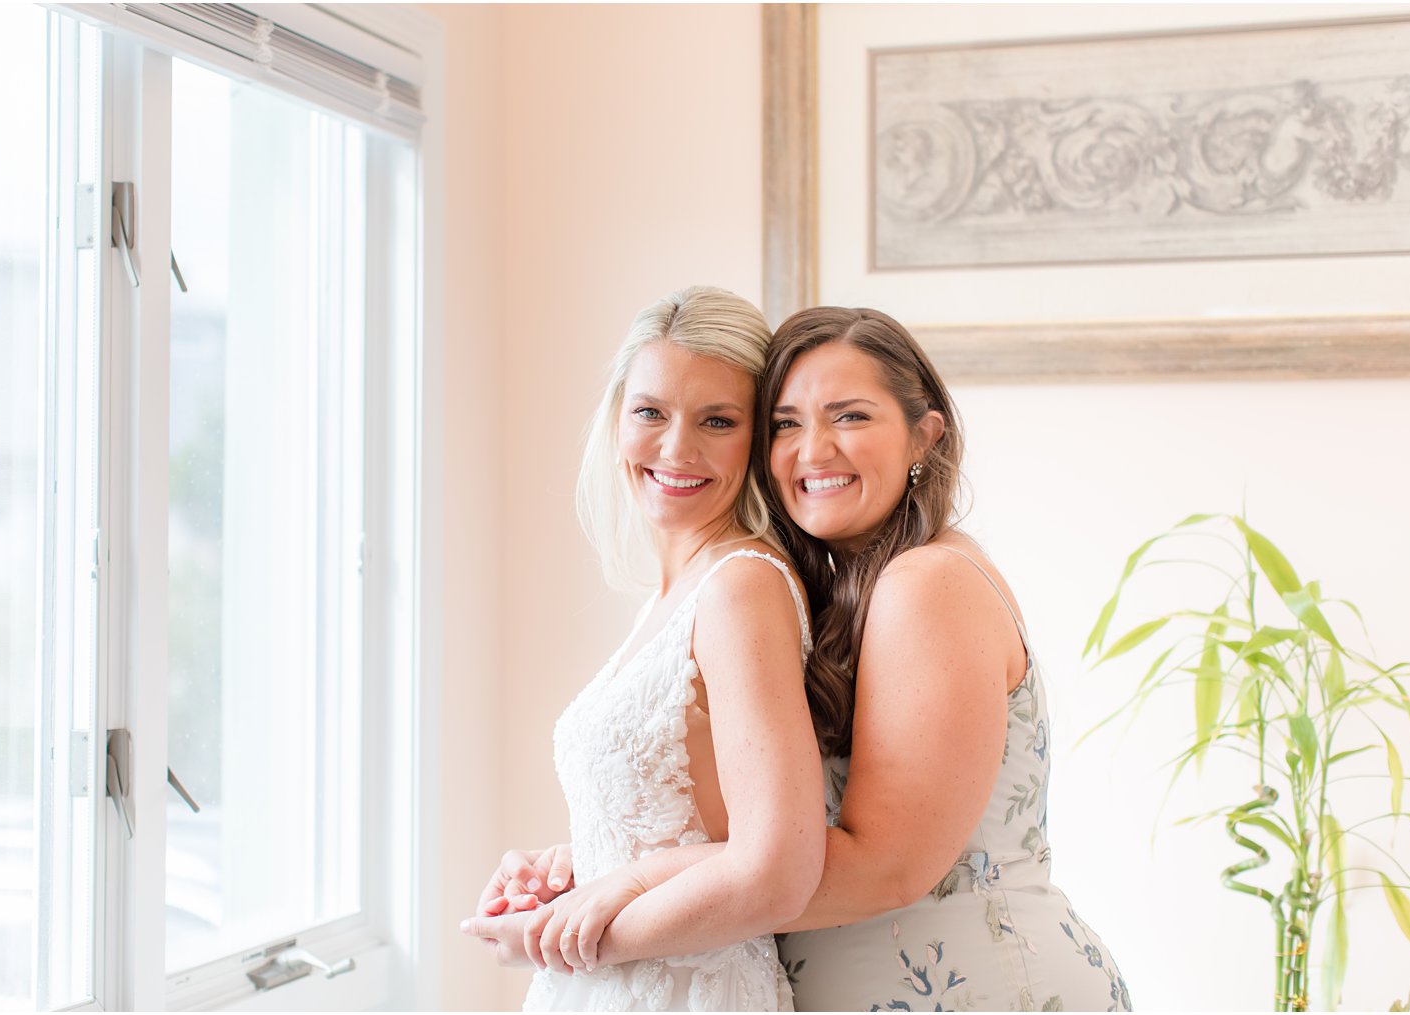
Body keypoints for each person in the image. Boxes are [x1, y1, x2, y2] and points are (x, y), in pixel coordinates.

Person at [472, 306, 1129, 1012]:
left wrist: (628, 885)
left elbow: (881, 866)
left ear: (924, 436)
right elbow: (759, 821)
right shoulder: (844, 589)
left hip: (976, 992)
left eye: (849, 416)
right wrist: (596, 864)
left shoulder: (924, 583)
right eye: (787, 423)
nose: (814, 449)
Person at [462, 286, 824, 1011]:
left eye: (716, 420)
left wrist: (567, 932)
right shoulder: (675, 595)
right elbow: (694, 825)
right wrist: (575, 870)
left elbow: (779, 869)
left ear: (755, 440)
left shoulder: (740, 587)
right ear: (617, 418)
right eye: (650, 412)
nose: (676, 448)